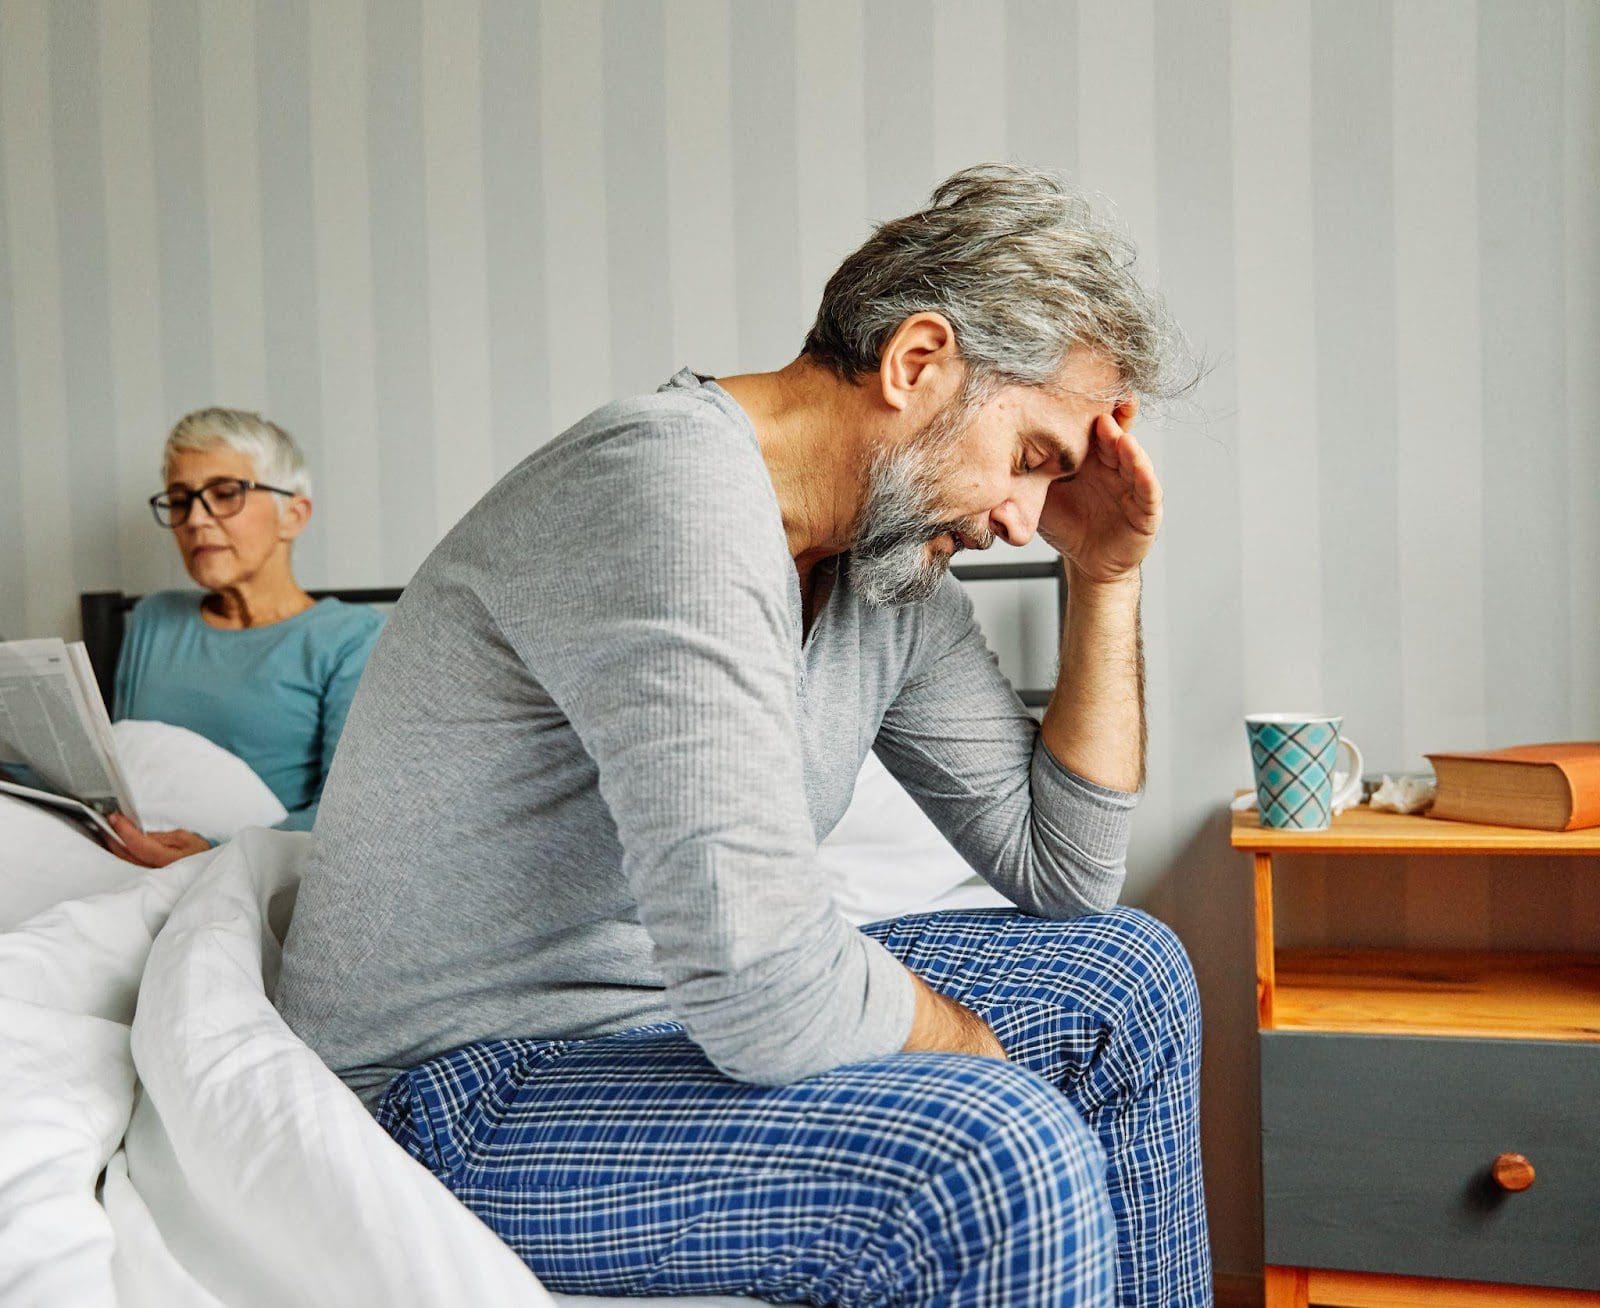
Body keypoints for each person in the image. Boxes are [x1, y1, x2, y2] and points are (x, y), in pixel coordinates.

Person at [277, 164, 1212, 1305]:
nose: (1024, 518)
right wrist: (965, 1046)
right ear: (917, 364)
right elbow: (766, 988)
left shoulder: (884, 568)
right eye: (1029, 460)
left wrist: (1104, 574)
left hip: (658, 1022)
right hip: (456, 1082)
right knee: (990, 1153)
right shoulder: (664, 490)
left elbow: (1070, 877)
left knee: (1127, 975)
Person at [108, 408, 383, 866]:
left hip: (256, 879)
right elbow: (127, 768)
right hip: (125, 863)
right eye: (180, 500)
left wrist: (212, 855)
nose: (195, 519)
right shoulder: (153, 619)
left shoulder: (352, 639)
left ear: (293, 515)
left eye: (224, 494)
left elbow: (351, 818)